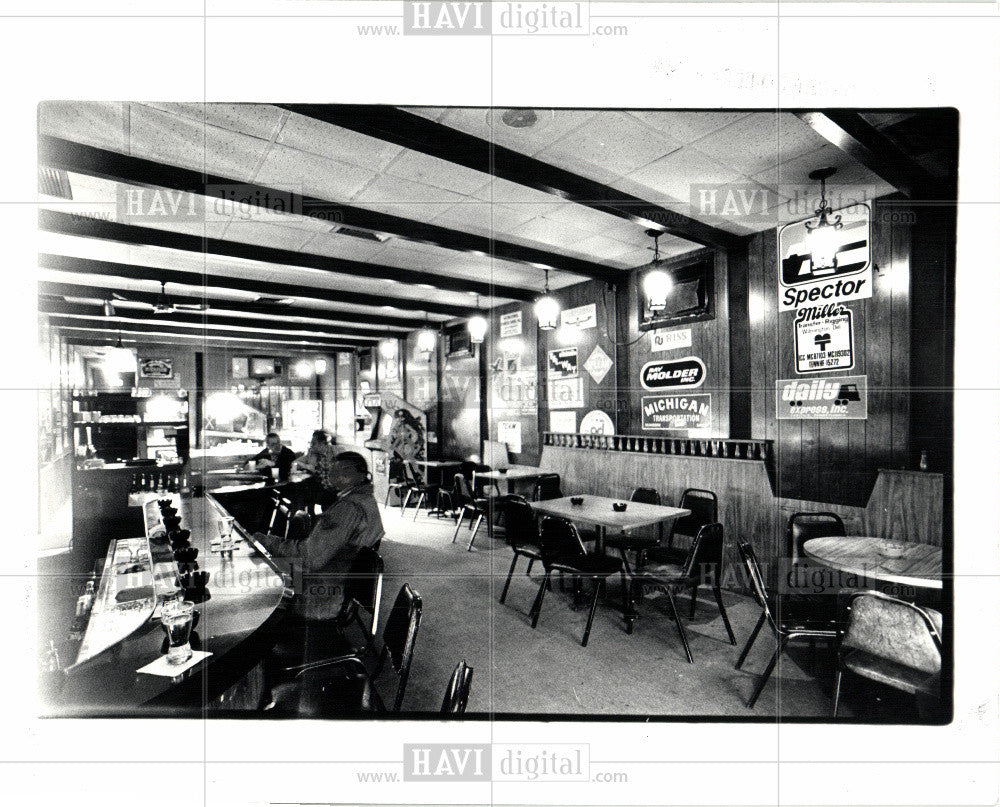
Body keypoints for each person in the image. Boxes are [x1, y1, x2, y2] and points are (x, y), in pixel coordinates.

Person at [255, 451, 385, 622]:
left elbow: (309, 558)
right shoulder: (365, 499)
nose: (330, 475)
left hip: (321, 595)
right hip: (340, 582)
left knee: (256, 580)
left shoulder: (348, 508)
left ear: (352, 475)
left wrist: (266, 541)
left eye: (335, 471)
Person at [294, 429, 338, 509]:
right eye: (311, 443)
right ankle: (307, 516)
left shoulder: (335, 451)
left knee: (303, 492)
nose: (311, 445)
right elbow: (297, 461)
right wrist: (304, 465)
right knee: (300, 489)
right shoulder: (313, 453)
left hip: (334, 489)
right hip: (321, 487)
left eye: (314, 443)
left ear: (322, 443)